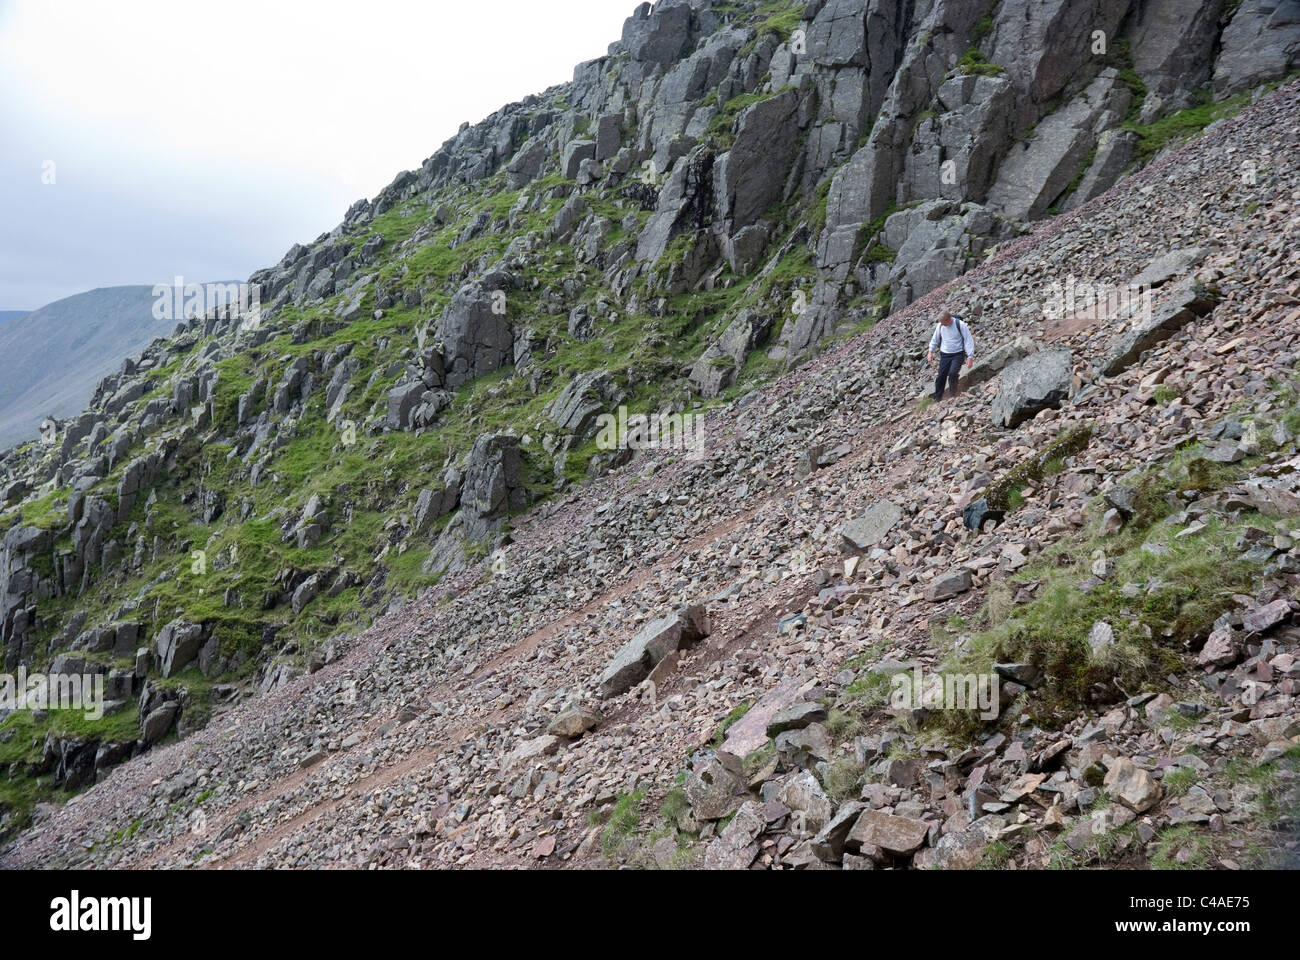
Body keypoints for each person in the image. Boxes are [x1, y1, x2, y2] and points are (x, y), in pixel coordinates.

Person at [927, 311, 975, 402]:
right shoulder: (940, 325)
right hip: (945, 354)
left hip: (958, 353)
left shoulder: (960, 324)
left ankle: (953, 394)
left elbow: (968, 340)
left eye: (943, 323)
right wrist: (930, 351)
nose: (942, 325)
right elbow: (935, 339)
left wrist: (970, 356)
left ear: (949, 319)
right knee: (941, 375)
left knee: (953, 373)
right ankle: (937, 397)